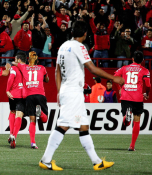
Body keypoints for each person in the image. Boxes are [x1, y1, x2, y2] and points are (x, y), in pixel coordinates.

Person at [39, 21, 124, 171]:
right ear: (85, 34)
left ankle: (97, 162)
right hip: (72, 93)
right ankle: (45, 160)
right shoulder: (79, 47)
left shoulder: (63, 46)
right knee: (63, 126)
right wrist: (113, 78)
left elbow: (57, 71)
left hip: (68, 91)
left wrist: (59, 91)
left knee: (83, 126)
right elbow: (92, 68)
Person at [114, 51, 151, 151]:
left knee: (126, 123)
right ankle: (132, 146)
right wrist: (147, 94)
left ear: (132, 59)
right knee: (137, 120)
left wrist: (119, 88)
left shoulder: (124, 68)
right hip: (137, 98)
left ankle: (126, 116)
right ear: (143, 60)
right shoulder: (145, 71)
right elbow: (148, 85)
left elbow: (115, 76)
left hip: (126, 96)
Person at [12, 51, 49, 149]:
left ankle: (33, 142)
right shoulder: (42, 68)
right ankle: (40, 113)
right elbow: (47, 80)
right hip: (40, 94)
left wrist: (19, 63)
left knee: (32, 120)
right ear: (37, 60)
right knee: (45, 120)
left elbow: (14, 63)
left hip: (29, 96)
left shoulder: (24, 67)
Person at [6, 52, 26, 149]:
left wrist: (7, 90)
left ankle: (11, 134)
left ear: (19, 60)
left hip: (13, 94)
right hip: (23, 95)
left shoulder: (14, 68)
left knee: (12, 112)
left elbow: (11, 78)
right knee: (19, 115)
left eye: (15, 59)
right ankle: (14, 136)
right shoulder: (27, 68)